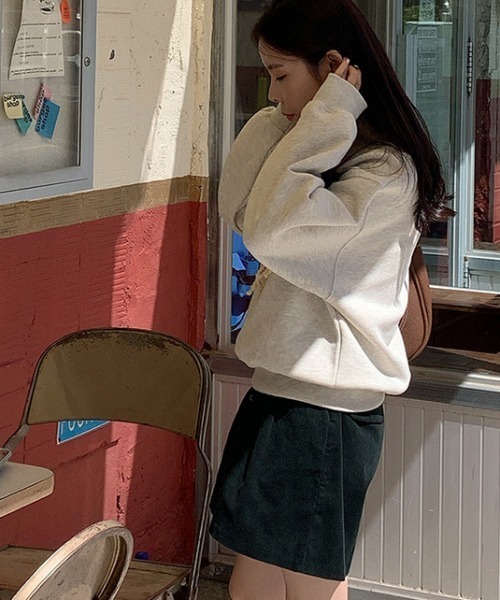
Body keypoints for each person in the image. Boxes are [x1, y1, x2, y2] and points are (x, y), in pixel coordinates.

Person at [209, 1, 453, 599]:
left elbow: (270, 230)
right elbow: (239, 207)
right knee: (253, 582)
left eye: (281, 74)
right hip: (283, 393)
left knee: (311, 586)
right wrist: (291, 118)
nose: (273, 93)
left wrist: (328, 113)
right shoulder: (323, 147)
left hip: (324, 413)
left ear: (334, 66)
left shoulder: (384, 174)